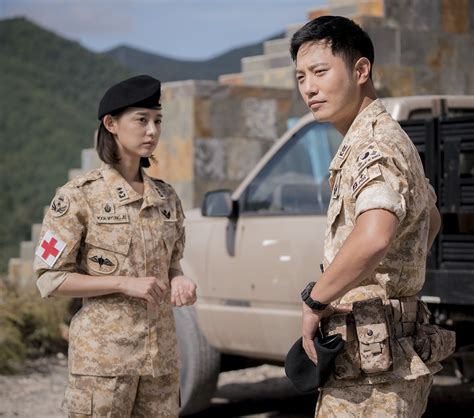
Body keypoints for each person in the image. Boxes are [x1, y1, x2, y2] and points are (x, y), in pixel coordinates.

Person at [290, 16, 448, 417]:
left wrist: (316, 300)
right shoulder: (379, 135)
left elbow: (374, 235)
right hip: (375, 358)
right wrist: (395, 269)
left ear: (361, 70)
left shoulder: (373, 143)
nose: (309, 87)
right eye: (301, 77)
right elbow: (430, 218)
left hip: (373, 375)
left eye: (321, 72)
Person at [34, 74, 197, 417]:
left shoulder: (166, 197)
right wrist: (122, 282)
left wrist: (179, 278)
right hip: (104, 364)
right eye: (141, 120)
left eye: (157, 121)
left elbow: (172, 264)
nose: (152, 130)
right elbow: (50, 278)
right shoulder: (78, 197)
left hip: (160, 360)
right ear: (111, 123)